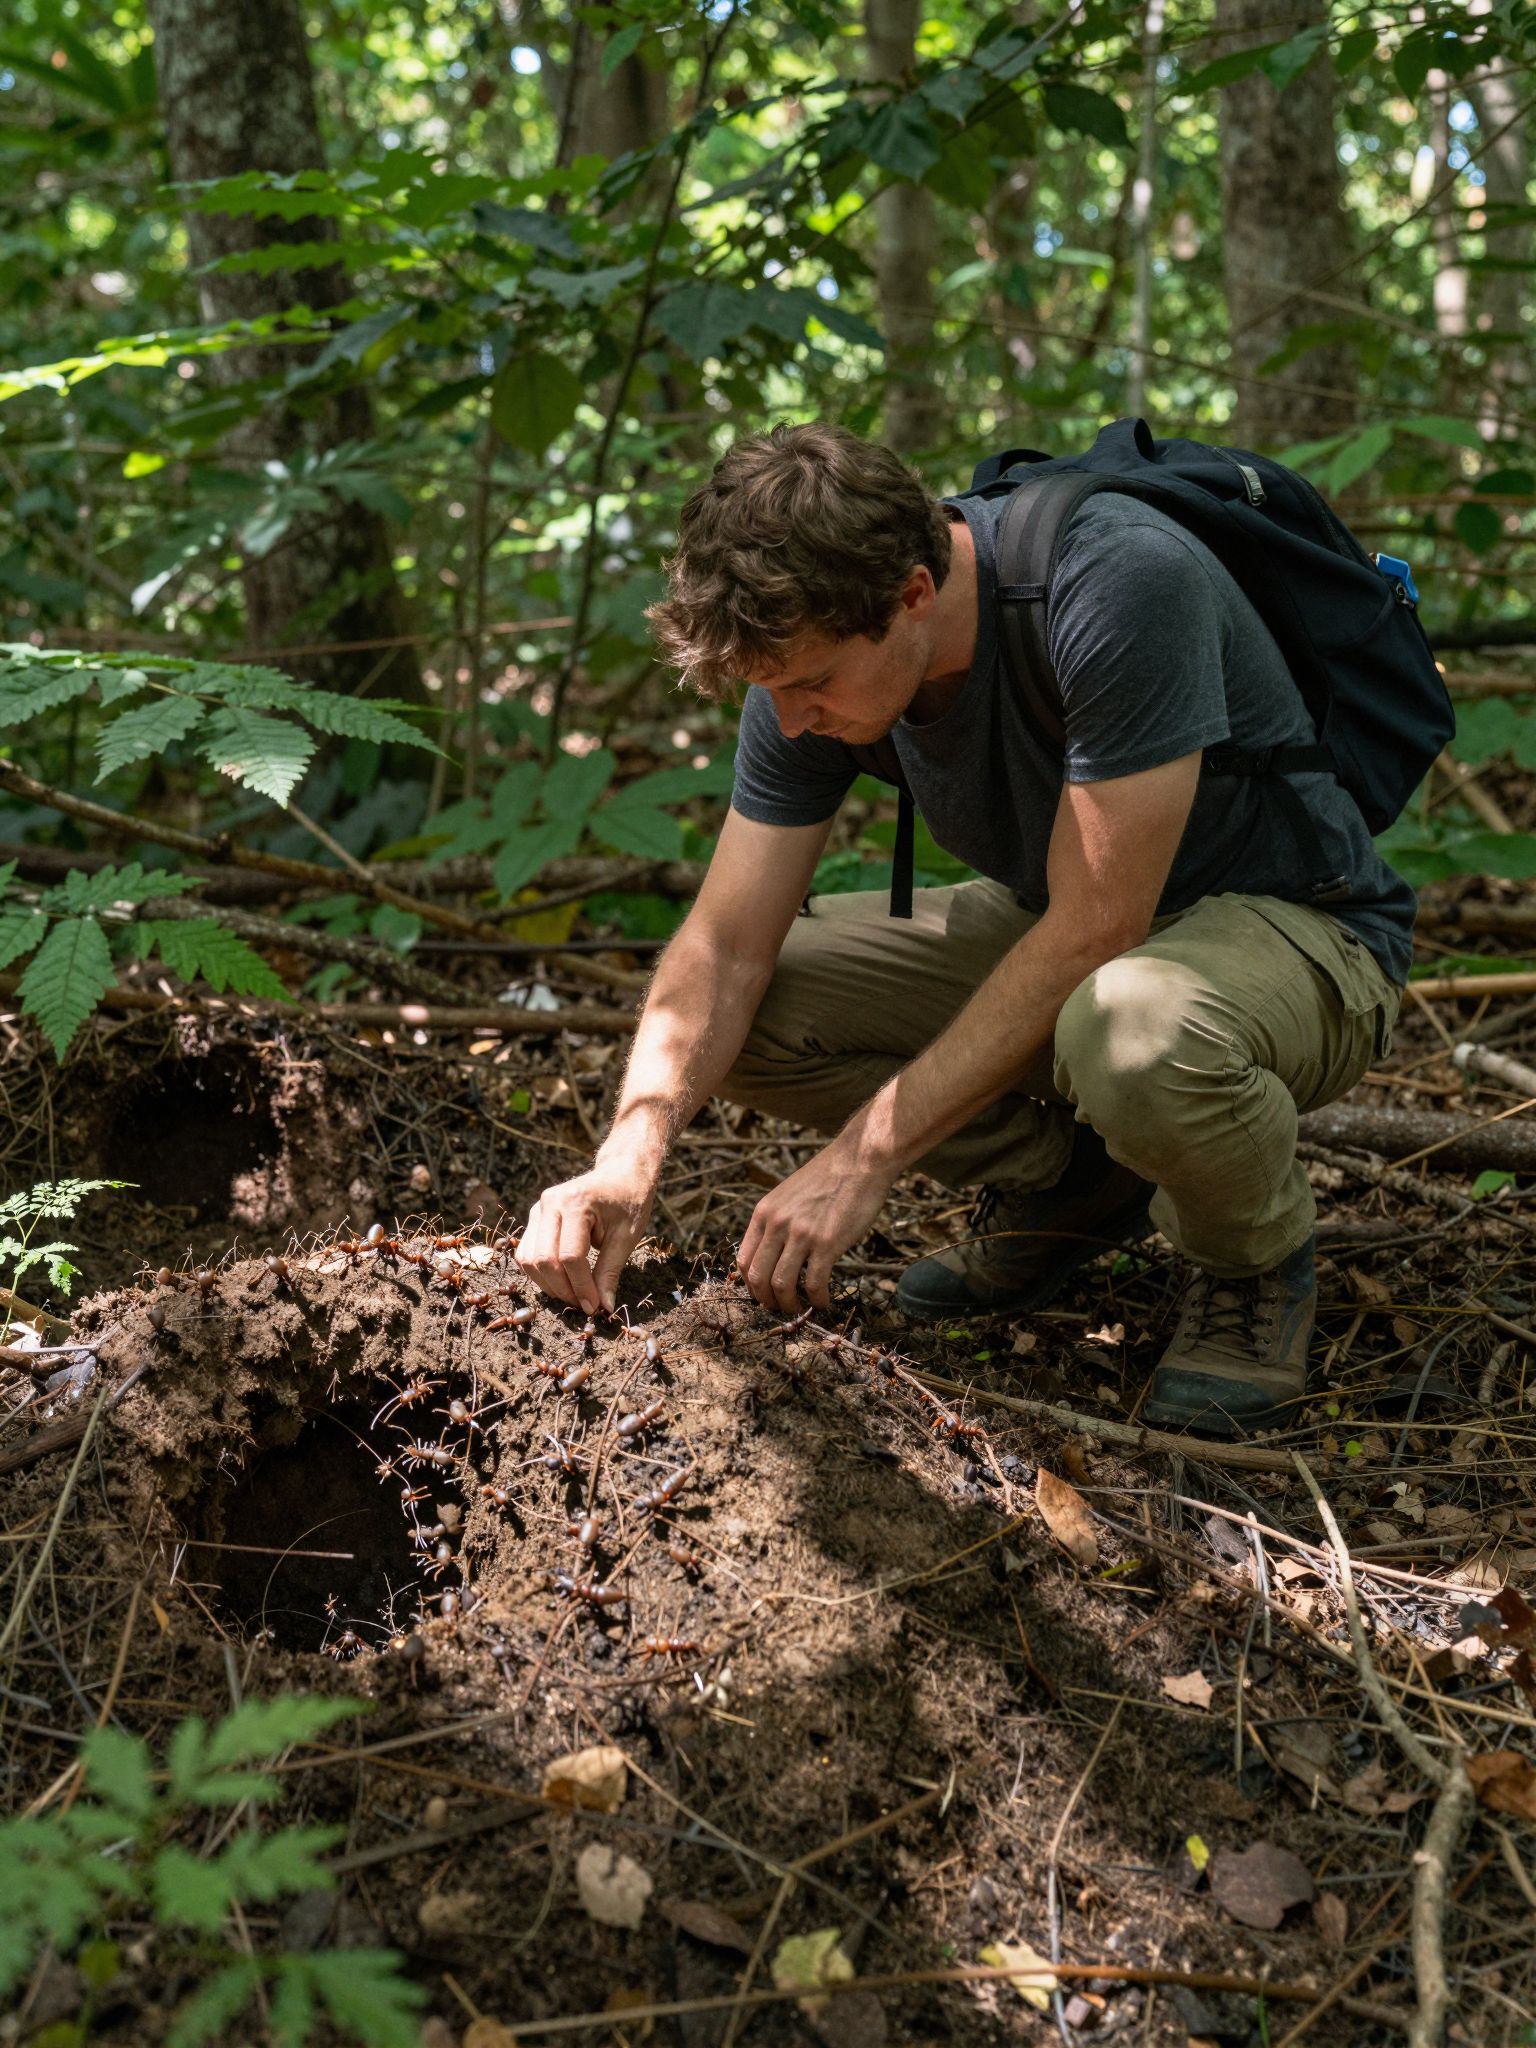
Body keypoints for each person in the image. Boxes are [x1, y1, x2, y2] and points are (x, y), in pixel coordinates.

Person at [516, 423, 1410, 1439]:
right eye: (772, 690)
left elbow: (1099, 926)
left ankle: (1251, 1261)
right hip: (1077, 934)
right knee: (761, 1008)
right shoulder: (808, 661)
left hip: (1296, 928)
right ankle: (1074, 1184)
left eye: (812, 684)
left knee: (1134, 1032)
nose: (793, 718)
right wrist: (630, 1152)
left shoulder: (1116, 580)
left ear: (912, 594)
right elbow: (723, 947)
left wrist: (865, 1154)